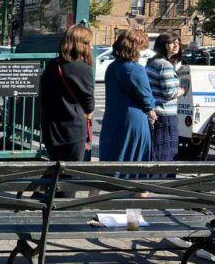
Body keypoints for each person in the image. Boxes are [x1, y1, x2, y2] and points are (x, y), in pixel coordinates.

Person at [39, 25, 96, 161]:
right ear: (81, 44)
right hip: (73, 132)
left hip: (51, 131)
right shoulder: (82, 69)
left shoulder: (53, 65)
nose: (92, 47)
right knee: (72, 171)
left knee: (56, 168)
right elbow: (89, 105)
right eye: (89, 43)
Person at [99, 29, 157, 163]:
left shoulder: (112, 67)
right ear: (135, 47)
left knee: (114, 155)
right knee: (132, 159)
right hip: (133, 120)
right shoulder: (135, 69)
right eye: (142, 47)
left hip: (113, 118)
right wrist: (151, 111)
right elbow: (146, 97)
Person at [146, 32, 184, 162]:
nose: (176, 45)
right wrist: (183, 90)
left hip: (156, 113)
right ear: (163, 45)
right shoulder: (165, 65)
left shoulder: (152, 62)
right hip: (165, 115)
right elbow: (169, 93)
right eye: (172, 42)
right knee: (165, 155)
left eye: (178, 42)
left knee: (155, 151)